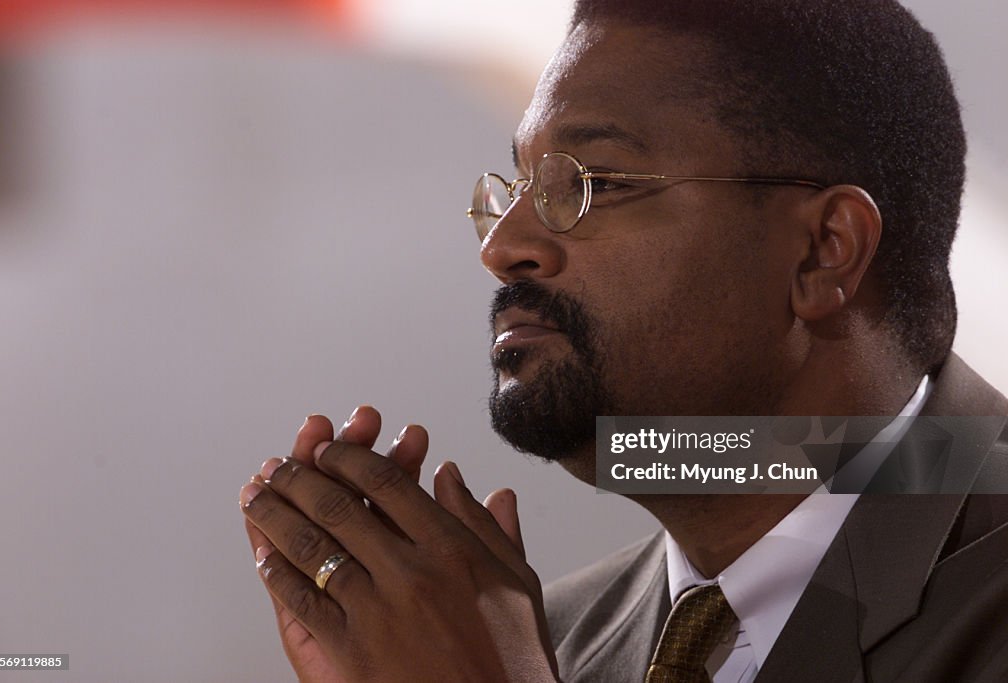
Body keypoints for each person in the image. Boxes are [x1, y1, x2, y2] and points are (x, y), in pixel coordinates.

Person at [238, 0, 1008, 680]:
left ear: (823, 249)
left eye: (593, 183)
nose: (503, 246)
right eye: (520, 186)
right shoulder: (546, 640)